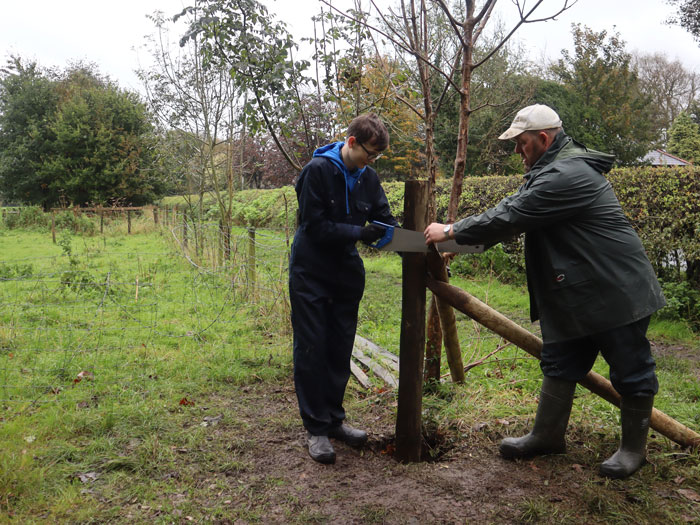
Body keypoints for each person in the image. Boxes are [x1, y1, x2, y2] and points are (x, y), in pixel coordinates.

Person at [424, 104, 666, 479]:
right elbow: (519, 221)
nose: (517, 151)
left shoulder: (567, 172)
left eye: (521, 143)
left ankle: (633, 450)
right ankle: (547, 435)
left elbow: (514, 213)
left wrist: (452, 230)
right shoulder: (552, 168)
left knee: (631, 369)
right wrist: (469, 242)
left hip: (616, 291)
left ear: (543, 138)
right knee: (560, 360)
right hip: (578, 291)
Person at [289, 113, 397, 464]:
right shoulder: (317, 171)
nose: (372, 161)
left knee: (339, 347)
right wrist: (358, 233)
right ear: (351, 142)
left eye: (377, 157)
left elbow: (381, 214)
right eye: (370, 153)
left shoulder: (369, 177)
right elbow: (315, 225)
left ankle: (335, 420)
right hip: (311, 271)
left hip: (345, 273)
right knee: (312, 347)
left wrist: (396, 233)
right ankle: (316, 428)